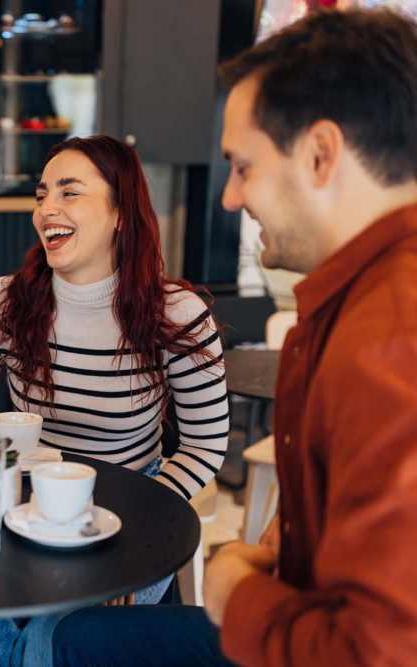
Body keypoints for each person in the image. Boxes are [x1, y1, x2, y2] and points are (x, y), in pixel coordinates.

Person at [53, 7, 417, 666]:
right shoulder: (353, 305)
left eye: (243, 166)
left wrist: (235, 588)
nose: (229, 198)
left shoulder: (388, 336)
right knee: (80, 637)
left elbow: (382, 650)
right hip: (304, 615)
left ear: (321, 154)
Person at [0, 134, 230, 666]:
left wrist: (134, 538)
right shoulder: (4, 302)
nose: (47, 209)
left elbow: (203, 445)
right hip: (24, 512)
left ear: (121, 212)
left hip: (130, 513)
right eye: (41, 194)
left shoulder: (176, 314)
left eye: (70, 192)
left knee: (50, 640)